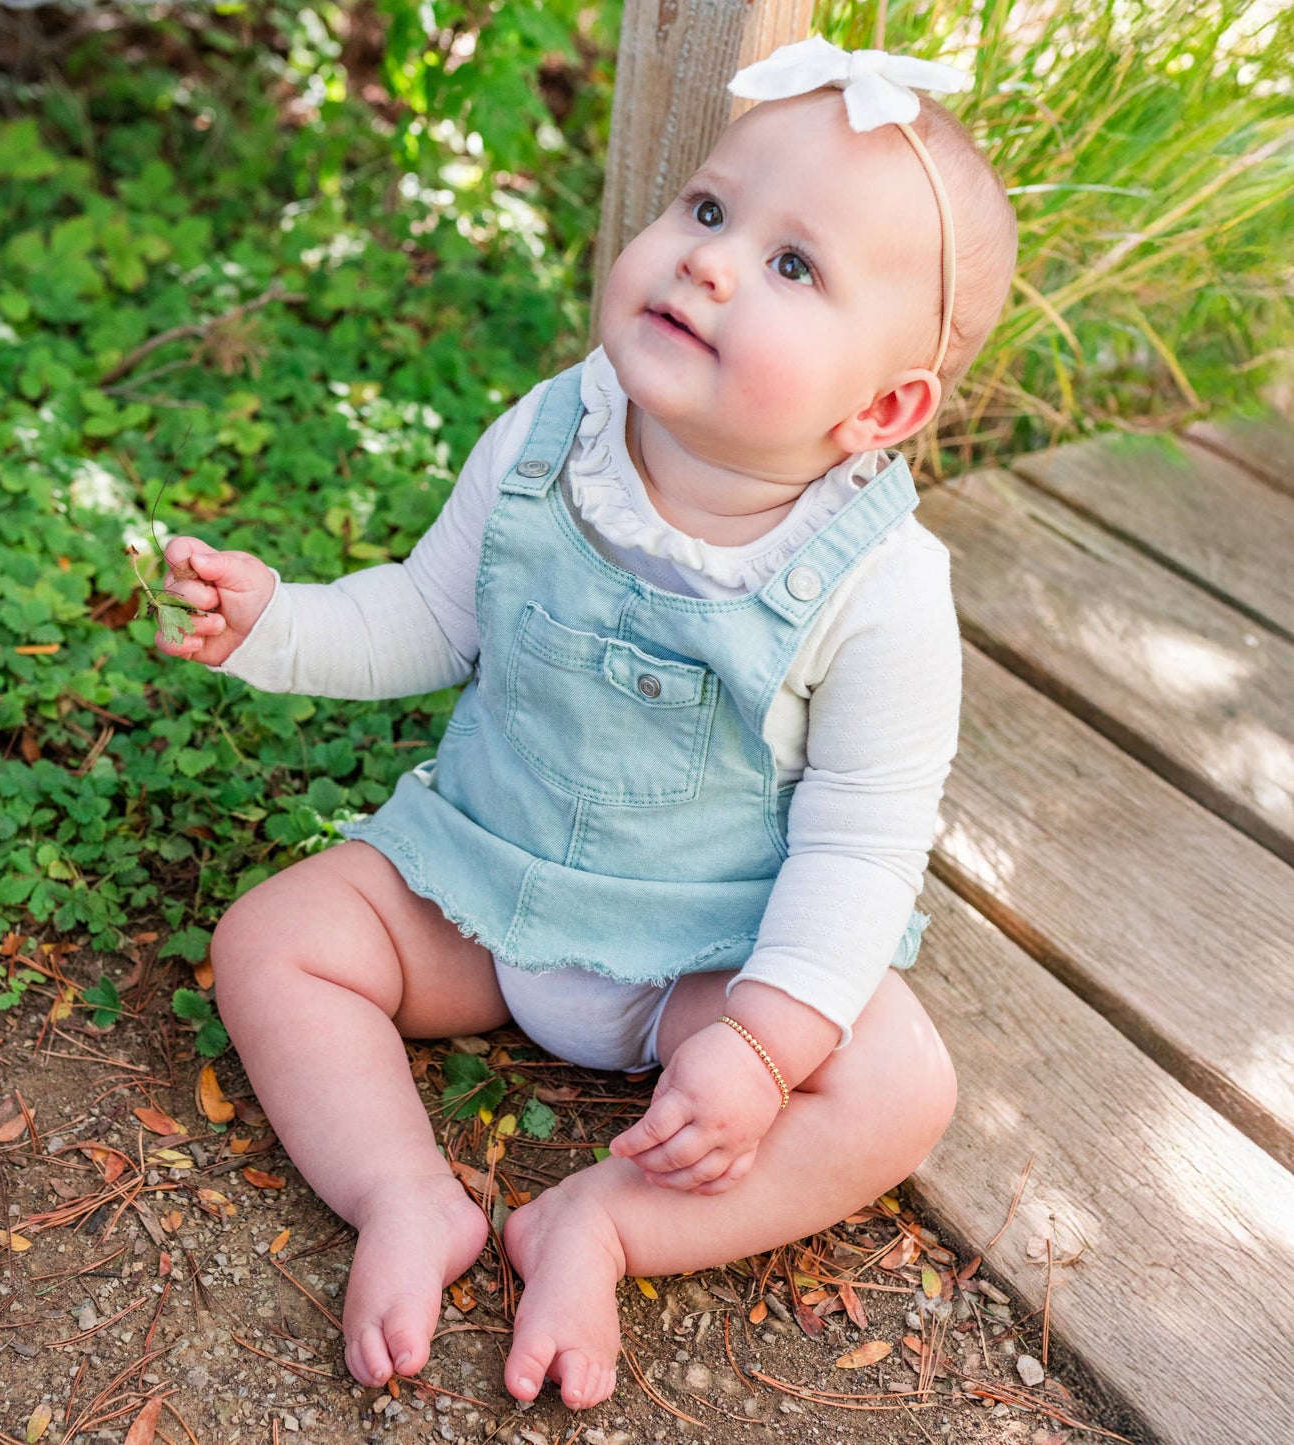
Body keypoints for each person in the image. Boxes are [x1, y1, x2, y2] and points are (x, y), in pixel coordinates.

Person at [156, 36, 1018, 1413]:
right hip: (480, 892)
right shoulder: (553, 433)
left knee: (897, 1084)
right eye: (708, 208)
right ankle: (403, 1191)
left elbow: (861, 847)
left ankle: (603, 1222)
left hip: (705, 958)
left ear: (883, 409)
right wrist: (276, 623)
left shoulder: (883, 589)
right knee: (272, 940)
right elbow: (429, 617)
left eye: (793, 266)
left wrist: (759, 1044)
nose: (709, 259)